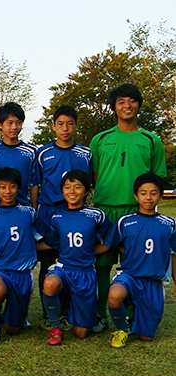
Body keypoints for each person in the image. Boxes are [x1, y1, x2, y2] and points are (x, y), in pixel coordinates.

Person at [90, 83, 167, 333]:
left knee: (134, 266)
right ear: (114, 107)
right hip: (105, 210)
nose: (127, 105)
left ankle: (133, 316)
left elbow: (157, 178)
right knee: (102, 264)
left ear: (138, 105)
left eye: (132, 100)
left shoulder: (151, 140)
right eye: (121, 101)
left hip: (137, 212)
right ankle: (101, 314)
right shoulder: (100, 139)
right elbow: (96, 175)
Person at [34, 106, 92, 331]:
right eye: (60, 124)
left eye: (70, 123)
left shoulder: (85, 153)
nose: (65, 128)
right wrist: (36, 210)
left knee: (70, 261)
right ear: (53, 127)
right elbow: (36, 184)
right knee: (47, 262)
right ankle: (48, 314)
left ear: (76, 125)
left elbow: (88, 183)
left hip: (74, 212)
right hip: (49, 211)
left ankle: (68, 311)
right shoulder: (43, 153)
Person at [37, 171, 111, 345]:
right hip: (64, 268)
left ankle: (91, 318)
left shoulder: (96, 215)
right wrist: (25, 247)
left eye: (77, 187)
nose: (72, 191)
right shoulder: (57, 217)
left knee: (81, 333)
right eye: (67, 187)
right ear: (62, 191)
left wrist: (89, 253)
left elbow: (108, 241)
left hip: (85, 272)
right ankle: (56, 326)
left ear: (86, 191)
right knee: (50, 283)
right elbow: (51, 243)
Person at [103, 173, 176, 348]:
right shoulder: (125, 221)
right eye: (143, 193)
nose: (148, 197)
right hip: (129, 276)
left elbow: (174, 255)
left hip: (153, 280)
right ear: (136, 196)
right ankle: (121, 329)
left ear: (160, 195)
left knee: (146, 338)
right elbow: (111, 244)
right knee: (115, 295)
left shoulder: (169, 224)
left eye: (153, 193)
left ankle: (138, 319)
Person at [0, 167, 40, 344]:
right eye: (3, 187)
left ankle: (14, 315)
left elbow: (38, 238)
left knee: (12, 330)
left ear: (18, 188)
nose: (8, 191)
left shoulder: (29, 213)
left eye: (12, 186)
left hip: (23, 274)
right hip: (0, 270)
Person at [0, 102, 37, 207]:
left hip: (21, 207)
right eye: (9, 123)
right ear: (0, 124)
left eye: (18, 123)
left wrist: (34, 208)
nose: (14, 127)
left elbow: (34, 183)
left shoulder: (31, 151)